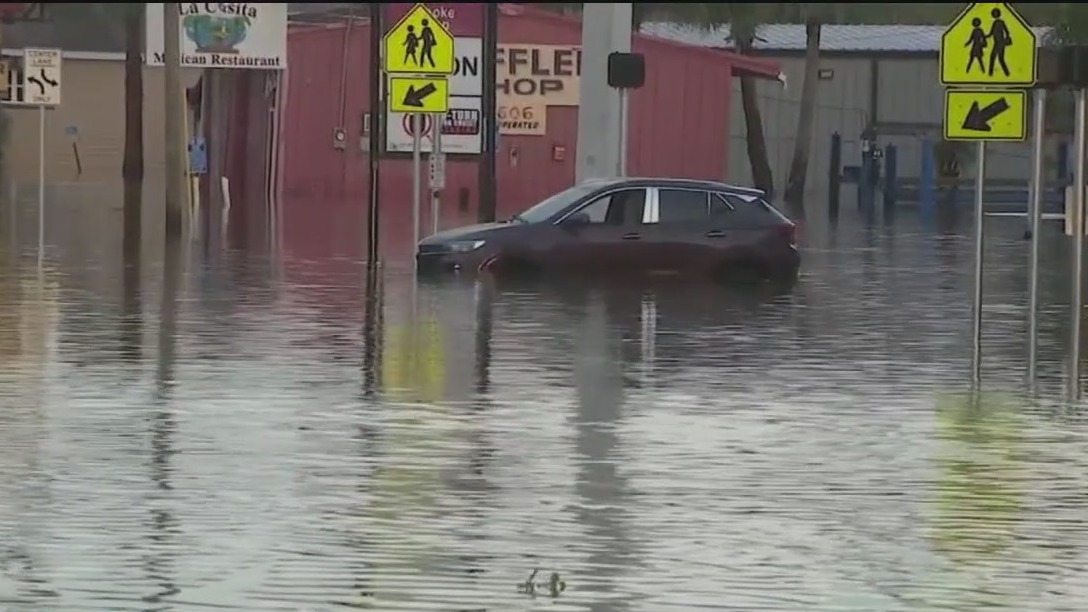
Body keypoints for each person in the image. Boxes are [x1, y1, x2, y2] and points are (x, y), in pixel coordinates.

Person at [987, 8, 1012, 78]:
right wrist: (985, 36)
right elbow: (991, 33)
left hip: (999, 43)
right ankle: (1007, 73)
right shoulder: (997, 22)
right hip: (999, 43)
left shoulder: (999, 22)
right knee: (1000, 59)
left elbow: (1006, 31)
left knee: (993, 57)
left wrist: (1007, 38)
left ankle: (990, 74)